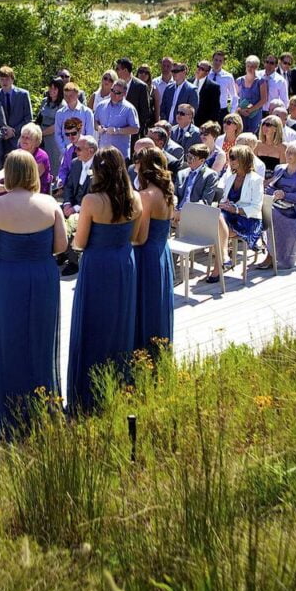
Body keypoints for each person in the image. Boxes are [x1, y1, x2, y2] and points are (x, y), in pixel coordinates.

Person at [0, 149, 67, 436]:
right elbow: (61, 246)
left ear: (8, 174)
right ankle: (43, 407)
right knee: (41, 339)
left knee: (8, 342)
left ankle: (10, 413)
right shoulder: (50, 204)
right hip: (43, 276)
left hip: (9, 278)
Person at [66, 147, 139, 413]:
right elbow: (136, 236)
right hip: (124, 263)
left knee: (93, 324)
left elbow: (80, 242)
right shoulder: (136, 199)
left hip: (98, 265)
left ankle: (87, 394)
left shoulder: (92, 201)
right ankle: (118, 383)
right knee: (120, 322)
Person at [0, 123, 52, 230]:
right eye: (22, 137)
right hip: (16, 186)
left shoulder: (41, 157)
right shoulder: (17, 152)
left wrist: (2, 188)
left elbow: (29, 183)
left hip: (32, 191)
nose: (24, 140)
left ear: (36, 141)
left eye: (28, 138)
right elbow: (6, 169)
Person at [132, 147, 175, 353]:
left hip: (147, 254)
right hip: (162, 251)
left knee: (145, 305)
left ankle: (145, 352)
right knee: (159, 304)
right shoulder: (168, 191)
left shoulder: (146, 195)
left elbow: (141, 237)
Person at [210, 144, 264, 281]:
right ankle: (224, 257)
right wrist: (224, 204)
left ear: (243, 159)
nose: (230, 161)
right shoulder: (230, 177)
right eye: (229, 157)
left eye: (233, 158)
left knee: (217, 228)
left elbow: (256, 207)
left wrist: (236, 209)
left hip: (248, 220)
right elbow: (224, 198)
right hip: (228, 217)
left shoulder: (256, 180)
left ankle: (220, 265)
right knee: (216, 219)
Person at [264, 141, 296, 270]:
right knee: (263, 211)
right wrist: (276, 193)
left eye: (292, 153)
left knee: (271, 215)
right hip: (278, 204)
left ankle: (273, 256)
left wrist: (285, 195)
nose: (288, 155)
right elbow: (270, 188)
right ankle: (269, 251)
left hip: (295, 209)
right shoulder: (280, 168)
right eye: (287, 152)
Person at [57, 134, 99, 275]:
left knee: (74, 223)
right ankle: (62, 252)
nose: (76, 151)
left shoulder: (99, 167)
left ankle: (74, 262)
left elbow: (94, 194)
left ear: (91, 150)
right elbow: (69, 186)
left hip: (89, 208)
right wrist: (67, 204)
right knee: (55, 216)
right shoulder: (75, 163)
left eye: (79, 149)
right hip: (73, 204)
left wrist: (75, 209)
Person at [175, 143, 222, 222]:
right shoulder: (181, 173)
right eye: (188, 156)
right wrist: (174, 206)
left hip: (195, 214)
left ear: (202, 160)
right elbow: (175, 194)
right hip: (177, 213)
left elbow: (205, 202)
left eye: (192, 158)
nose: (188, 160)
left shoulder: (210, 175)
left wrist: (185, 212)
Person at [95, 77, 141, 159]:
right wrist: (98, 127)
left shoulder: (129, 109)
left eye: (118, 92)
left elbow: (135, 129)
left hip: (120, 155)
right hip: (102, 153)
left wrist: (117, 131)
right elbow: (95, 121)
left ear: (124, 93)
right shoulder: (101, 105)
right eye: (112, 90)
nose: (114, 94)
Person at [0, 66, 33, 158]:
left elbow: (28, 118)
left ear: (12, 79)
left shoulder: (23, 94)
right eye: (1, 79)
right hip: (1, 141)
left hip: (19, 140)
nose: (4, 82)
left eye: (7, 79)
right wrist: (5, 131)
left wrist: (14, 131)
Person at [117, 57, 155, 134]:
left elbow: (145, 112)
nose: (116, 71)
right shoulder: (116, 84)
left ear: (125, 70)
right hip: (117, 131)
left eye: (118, 69)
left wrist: (137, 129)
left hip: (133, 132)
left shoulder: (141, 86)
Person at [36, 77, 65, 167]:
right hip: (41, 137)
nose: (52, 90)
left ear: (60, 90)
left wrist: (42, 133)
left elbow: (57, 125)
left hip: (53, 138)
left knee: (53, 163)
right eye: (50, 88)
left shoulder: (63, 105)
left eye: (55, 88)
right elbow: (39, 118)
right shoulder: (44, 101)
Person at [236, 57, 264, 132]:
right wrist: (240, 110)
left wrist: (251, 110)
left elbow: (264, 99)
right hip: (241, 113)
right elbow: (235, 98)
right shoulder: (239, 80)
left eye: (252, 66)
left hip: (255, 114)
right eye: (248, 66)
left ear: (257, 67)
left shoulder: (261, 81)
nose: (250, 68)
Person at [193, 59, 224, 125]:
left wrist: (209, 126)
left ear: (207, 73)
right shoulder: (188, 82)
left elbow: (215, 110)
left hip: (202, 124)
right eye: (198, 66)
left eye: (202, 69)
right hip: (186, 121)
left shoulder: (213, 87)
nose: (198, 69)